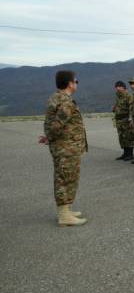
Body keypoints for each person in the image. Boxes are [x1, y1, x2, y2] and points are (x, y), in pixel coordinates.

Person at [39, 70, 88, 226]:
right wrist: (50, 137)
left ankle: (66, 210)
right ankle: (64, 215)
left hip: (63, 147)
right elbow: (57, 125)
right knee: (66, 178)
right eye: (76, 81)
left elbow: (52, 123)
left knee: (64, 177)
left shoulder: (56, 97)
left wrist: (49, 137)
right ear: (70, 83)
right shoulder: (65, 101)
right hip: (67, 148)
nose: (77, 84)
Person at [112, 80, 134, 161]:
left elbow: (131, 108)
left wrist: (131, 119)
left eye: (119, 86)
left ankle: (130, 154)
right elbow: (118, 106)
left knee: (128, 137)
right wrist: (114, 109)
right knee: (122, 137)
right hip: (119, 120)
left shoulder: (128, 96)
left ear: (123, 87)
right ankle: (125, 153)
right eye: (116, 87)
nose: (117, 88)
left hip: (126, 119)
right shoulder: (118, 97)